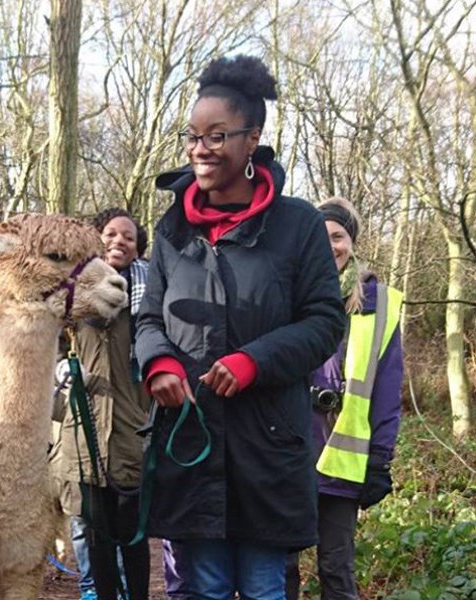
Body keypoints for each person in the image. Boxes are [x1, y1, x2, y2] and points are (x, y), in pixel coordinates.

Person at [134, 55, 346, 600]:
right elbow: (149, 316)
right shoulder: (172, 228)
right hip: (191, 442)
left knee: (261, 588)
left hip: (268, 446)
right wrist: (158, 364)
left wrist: (254, 361)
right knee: (200, 588)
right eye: (192, 135)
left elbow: (324, 321)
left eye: (217, 135)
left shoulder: (297, 225)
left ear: (252, 139)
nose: (200, 148)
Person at [284, 197, 403, 600]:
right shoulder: (287, 292)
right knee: (279, 565)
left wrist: (380, 460)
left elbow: (387, 389)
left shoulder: (378, 304)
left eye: (338, 236)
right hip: (288, 453)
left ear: (351, 242)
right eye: (320, 236)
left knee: (336, 568)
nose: (330, 245)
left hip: (342, 463)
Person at [56, 208, 151, 600]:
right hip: (85, 436)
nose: (118, 241)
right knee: (96, 542)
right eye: (110, 233)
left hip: (132, 435)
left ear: (138, 248)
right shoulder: (71, 299)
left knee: (132, 539)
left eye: (128, 236)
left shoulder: (149, 300)